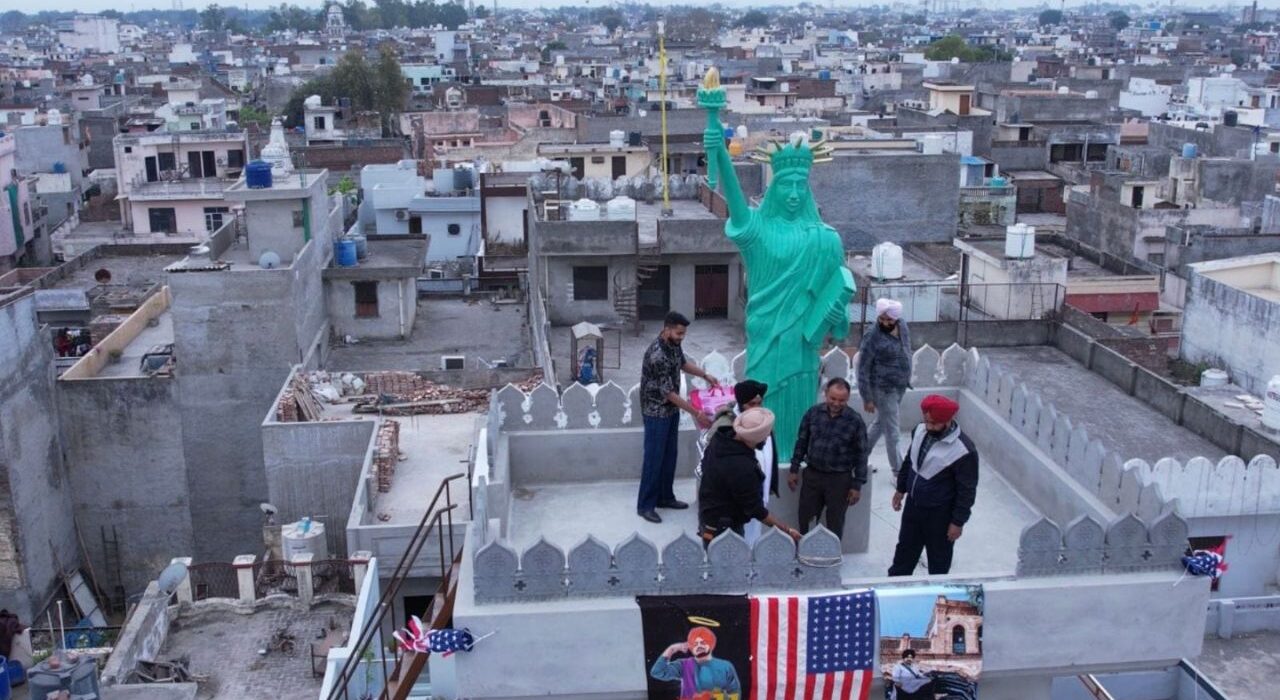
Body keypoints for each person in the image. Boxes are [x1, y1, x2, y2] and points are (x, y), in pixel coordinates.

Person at [638, 311, 720, 524]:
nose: (681, 337)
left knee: (669, 456)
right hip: (656, 411)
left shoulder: (673, 345)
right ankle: (646, 505)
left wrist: (704, 374)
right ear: (666, 329)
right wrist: (697, 413)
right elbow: (669, 393)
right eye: (679, 333)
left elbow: (682, 363)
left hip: (670, 410)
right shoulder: (657, 355)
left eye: (684, 334)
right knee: (654, 459)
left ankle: (665, 497)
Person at [888, 395, 979, 576]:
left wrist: (957, 522)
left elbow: (967, 491)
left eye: (935, 424)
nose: (929, 427)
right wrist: (901, 489)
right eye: (927, 421)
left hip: (940, 515)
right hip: (913, 508)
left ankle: (937, 598)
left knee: (938, 561)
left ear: (948, 420)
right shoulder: (919, 431)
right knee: (904, 555)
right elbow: (910, 461)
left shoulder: (963, 450)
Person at [698, 407, 801, 546]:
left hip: (708, 517)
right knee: (730, 566)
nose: (766, 438)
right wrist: (787, 530)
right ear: (757, 437)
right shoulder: (743, 467)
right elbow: (756, 510)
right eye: (766, 435)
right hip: (724, 528)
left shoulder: (720, 439)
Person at [787, 378, 868, 540]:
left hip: (839, 480)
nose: (836, 403)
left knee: (835, 521)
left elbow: (861, 454)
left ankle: (831, 558)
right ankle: (805, 554)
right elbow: (801, 442)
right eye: (833, 398)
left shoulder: (855, 420)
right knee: (806, 517)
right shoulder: (813, 413)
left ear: (848, 399)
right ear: (825, 394)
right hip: (813, 476)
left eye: (842, 400)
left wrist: (857, 485)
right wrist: (794, 469)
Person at [699, 380, 779, 542]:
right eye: (751, 404)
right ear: (742, 404)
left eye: (759, 403)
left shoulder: (760, 421)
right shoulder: (725, 426)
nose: (756, 407)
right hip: (730, 504)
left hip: (754, 492)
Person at [857, 298, 912, 478]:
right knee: (893, 432)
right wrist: (867, 397)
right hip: (882, 389)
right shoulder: (872, 335)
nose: (885, 323)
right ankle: (899, 472)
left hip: (900, 385)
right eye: (882, 320)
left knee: (882, 424)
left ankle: (859, 459)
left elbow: (907, 350)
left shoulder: (902, 326)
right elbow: (863, 367)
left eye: (889, 320)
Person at [650, 625, 741, 699]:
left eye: (703, 642)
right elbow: (657, 672)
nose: (699, 646)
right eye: (695, 644)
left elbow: (735, 696)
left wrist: (712, 697)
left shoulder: (726, 666)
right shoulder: (683, 665)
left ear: (710, 643)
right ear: (691, 647)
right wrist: (672, 649)